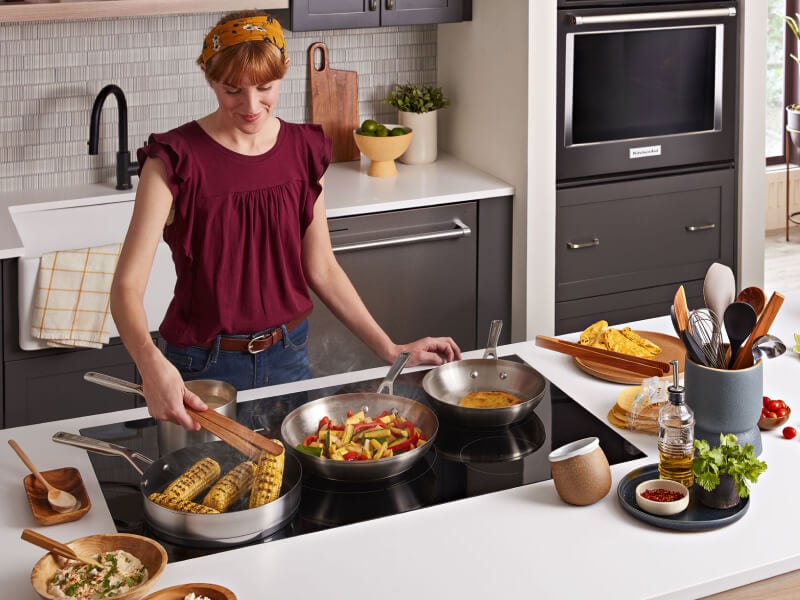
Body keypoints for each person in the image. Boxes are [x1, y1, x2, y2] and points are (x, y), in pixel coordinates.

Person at [110, 10, 461, 432]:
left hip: (289, 355)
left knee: (291, 488)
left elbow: (322, 267)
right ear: (207, 75)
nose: (251, 105)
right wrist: (151, 363)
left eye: (265, 88)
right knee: (211, 492)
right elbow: (126, 287)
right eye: (232, 90)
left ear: (285, 71)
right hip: (200, 365)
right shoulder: (173, 160)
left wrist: (390, 349)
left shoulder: (304, 149)